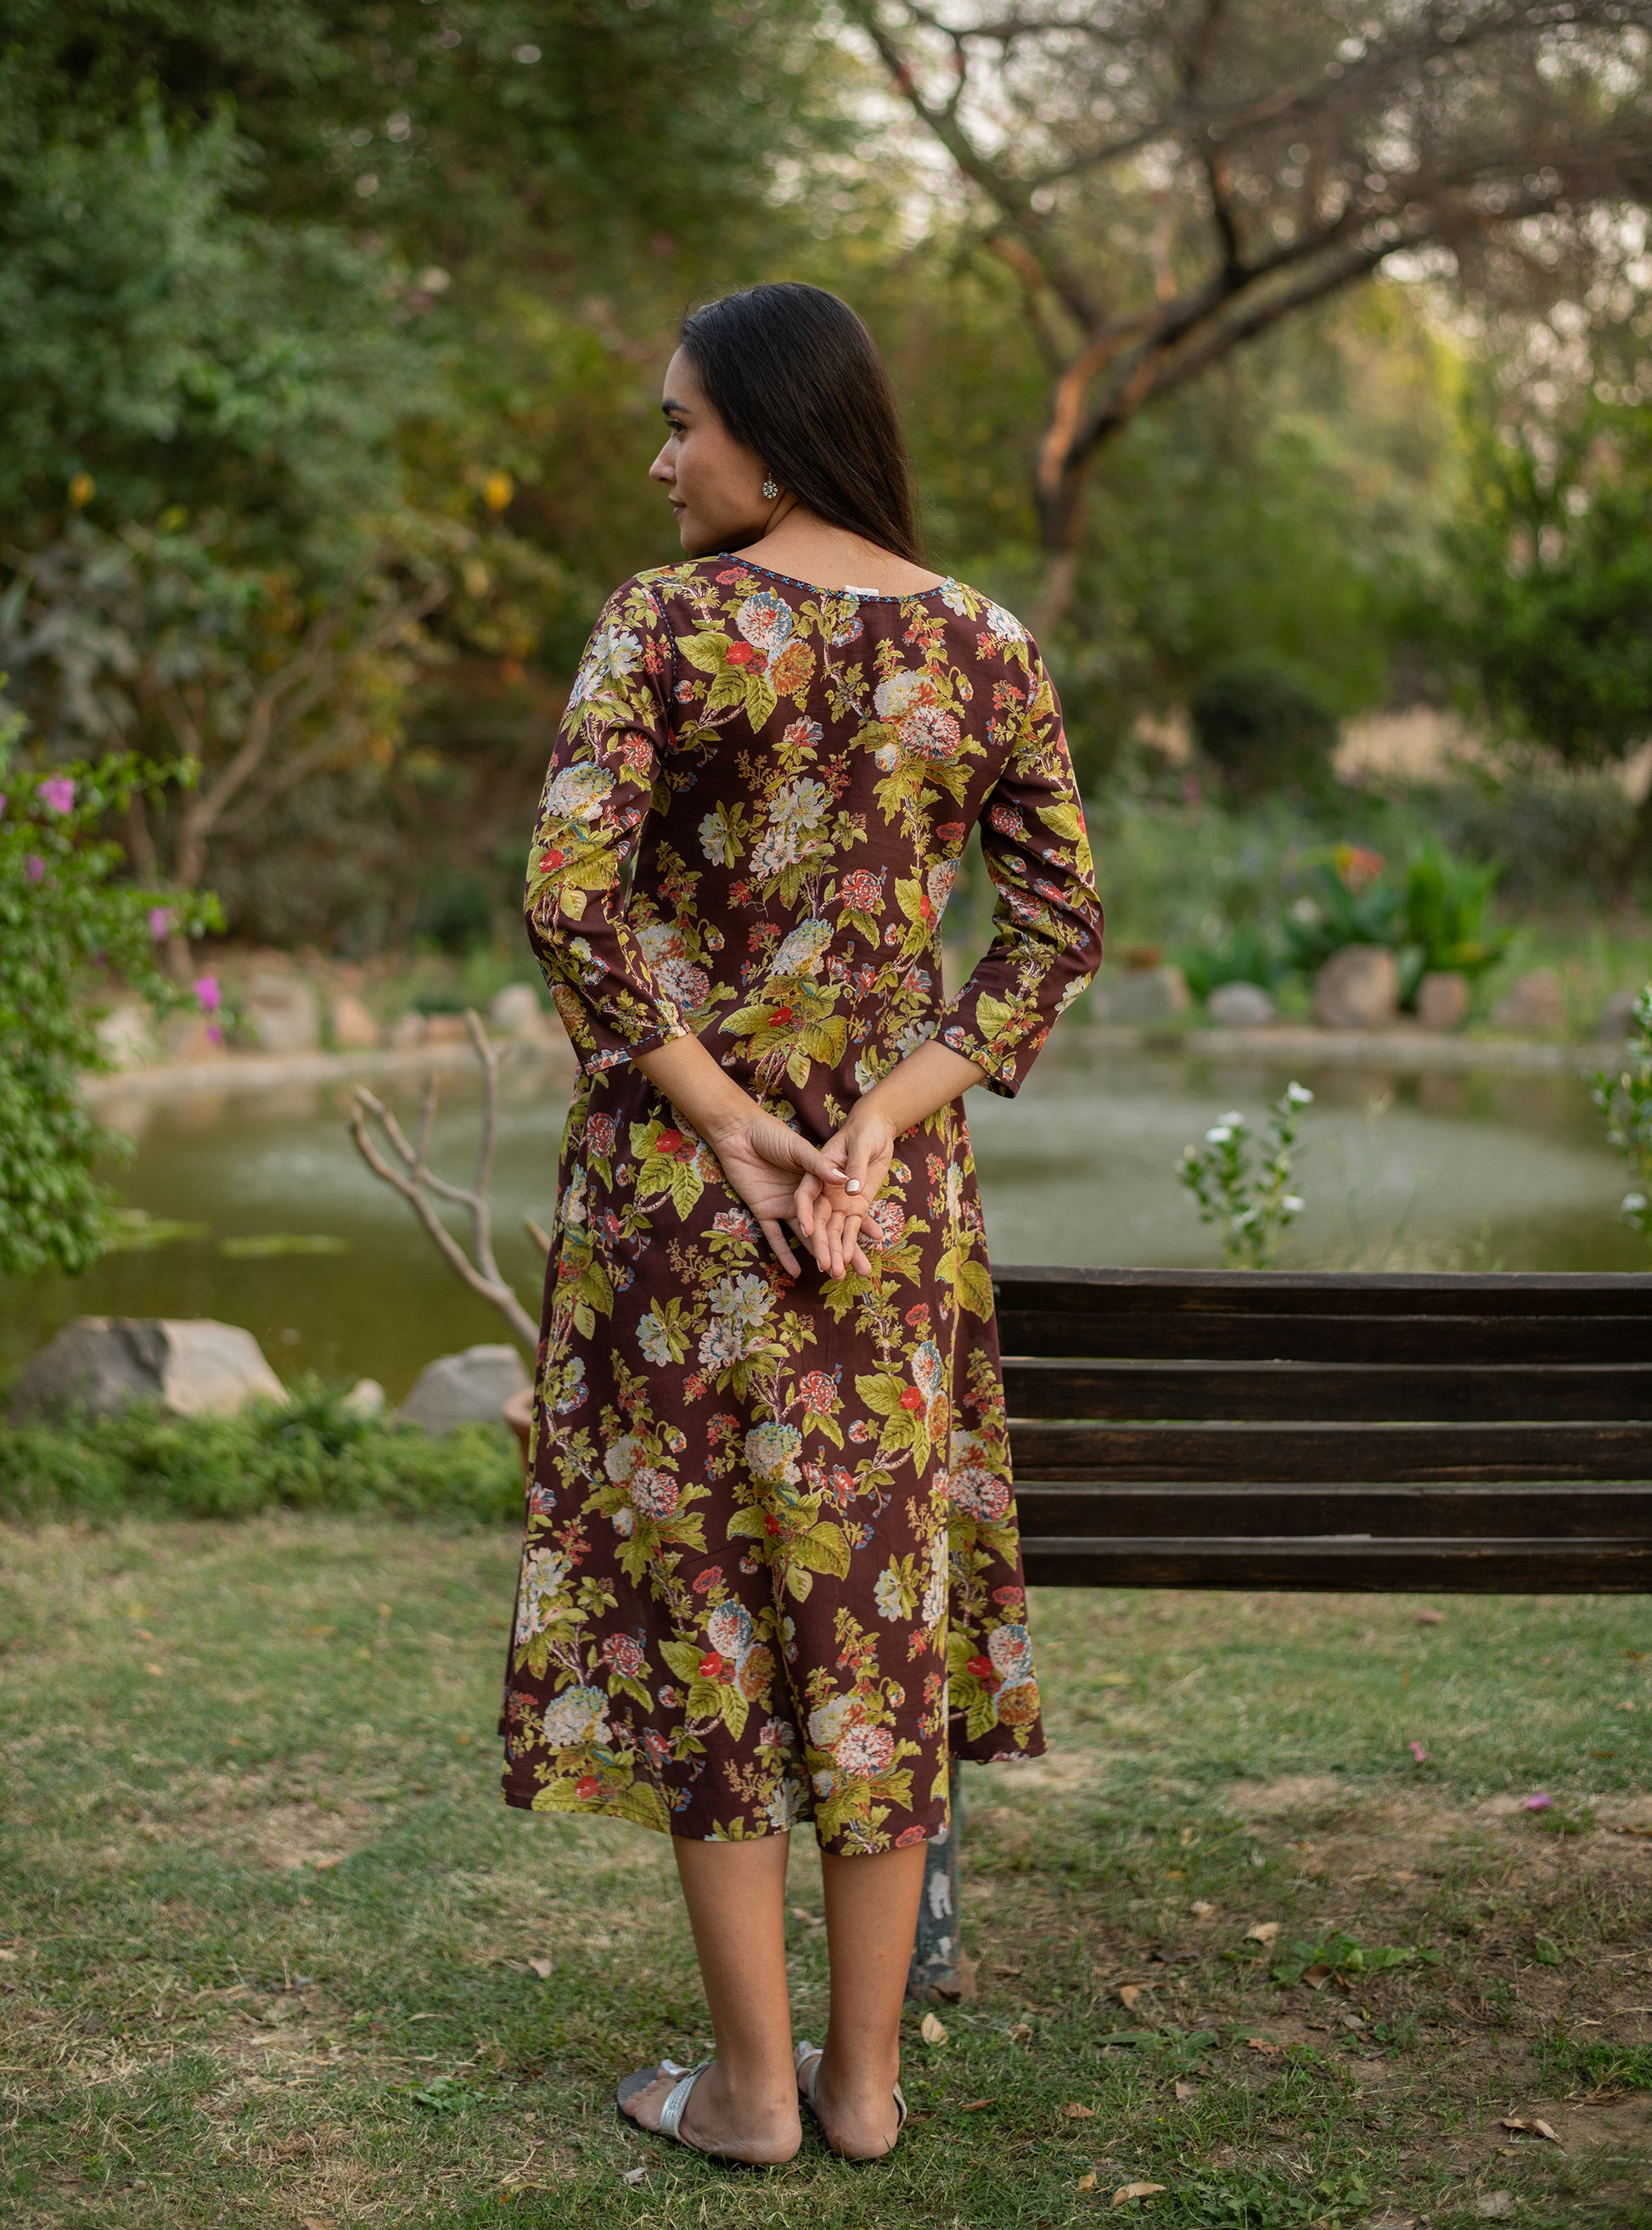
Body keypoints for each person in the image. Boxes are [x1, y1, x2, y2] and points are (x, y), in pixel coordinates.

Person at [499, 280, 1103, 2165]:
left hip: (687, 1205)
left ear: (769, 432)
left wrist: (733, 1121)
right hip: (883, 1214)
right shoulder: (983, 642)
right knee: (870, 1620)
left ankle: (751, 2093)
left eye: (680, 421)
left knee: (709, 1620)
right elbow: (1056, 926)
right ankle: (863, 2088)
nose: (660, 459)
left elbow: (570, 901)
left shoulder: (664, 624)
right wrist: (882, 1121)